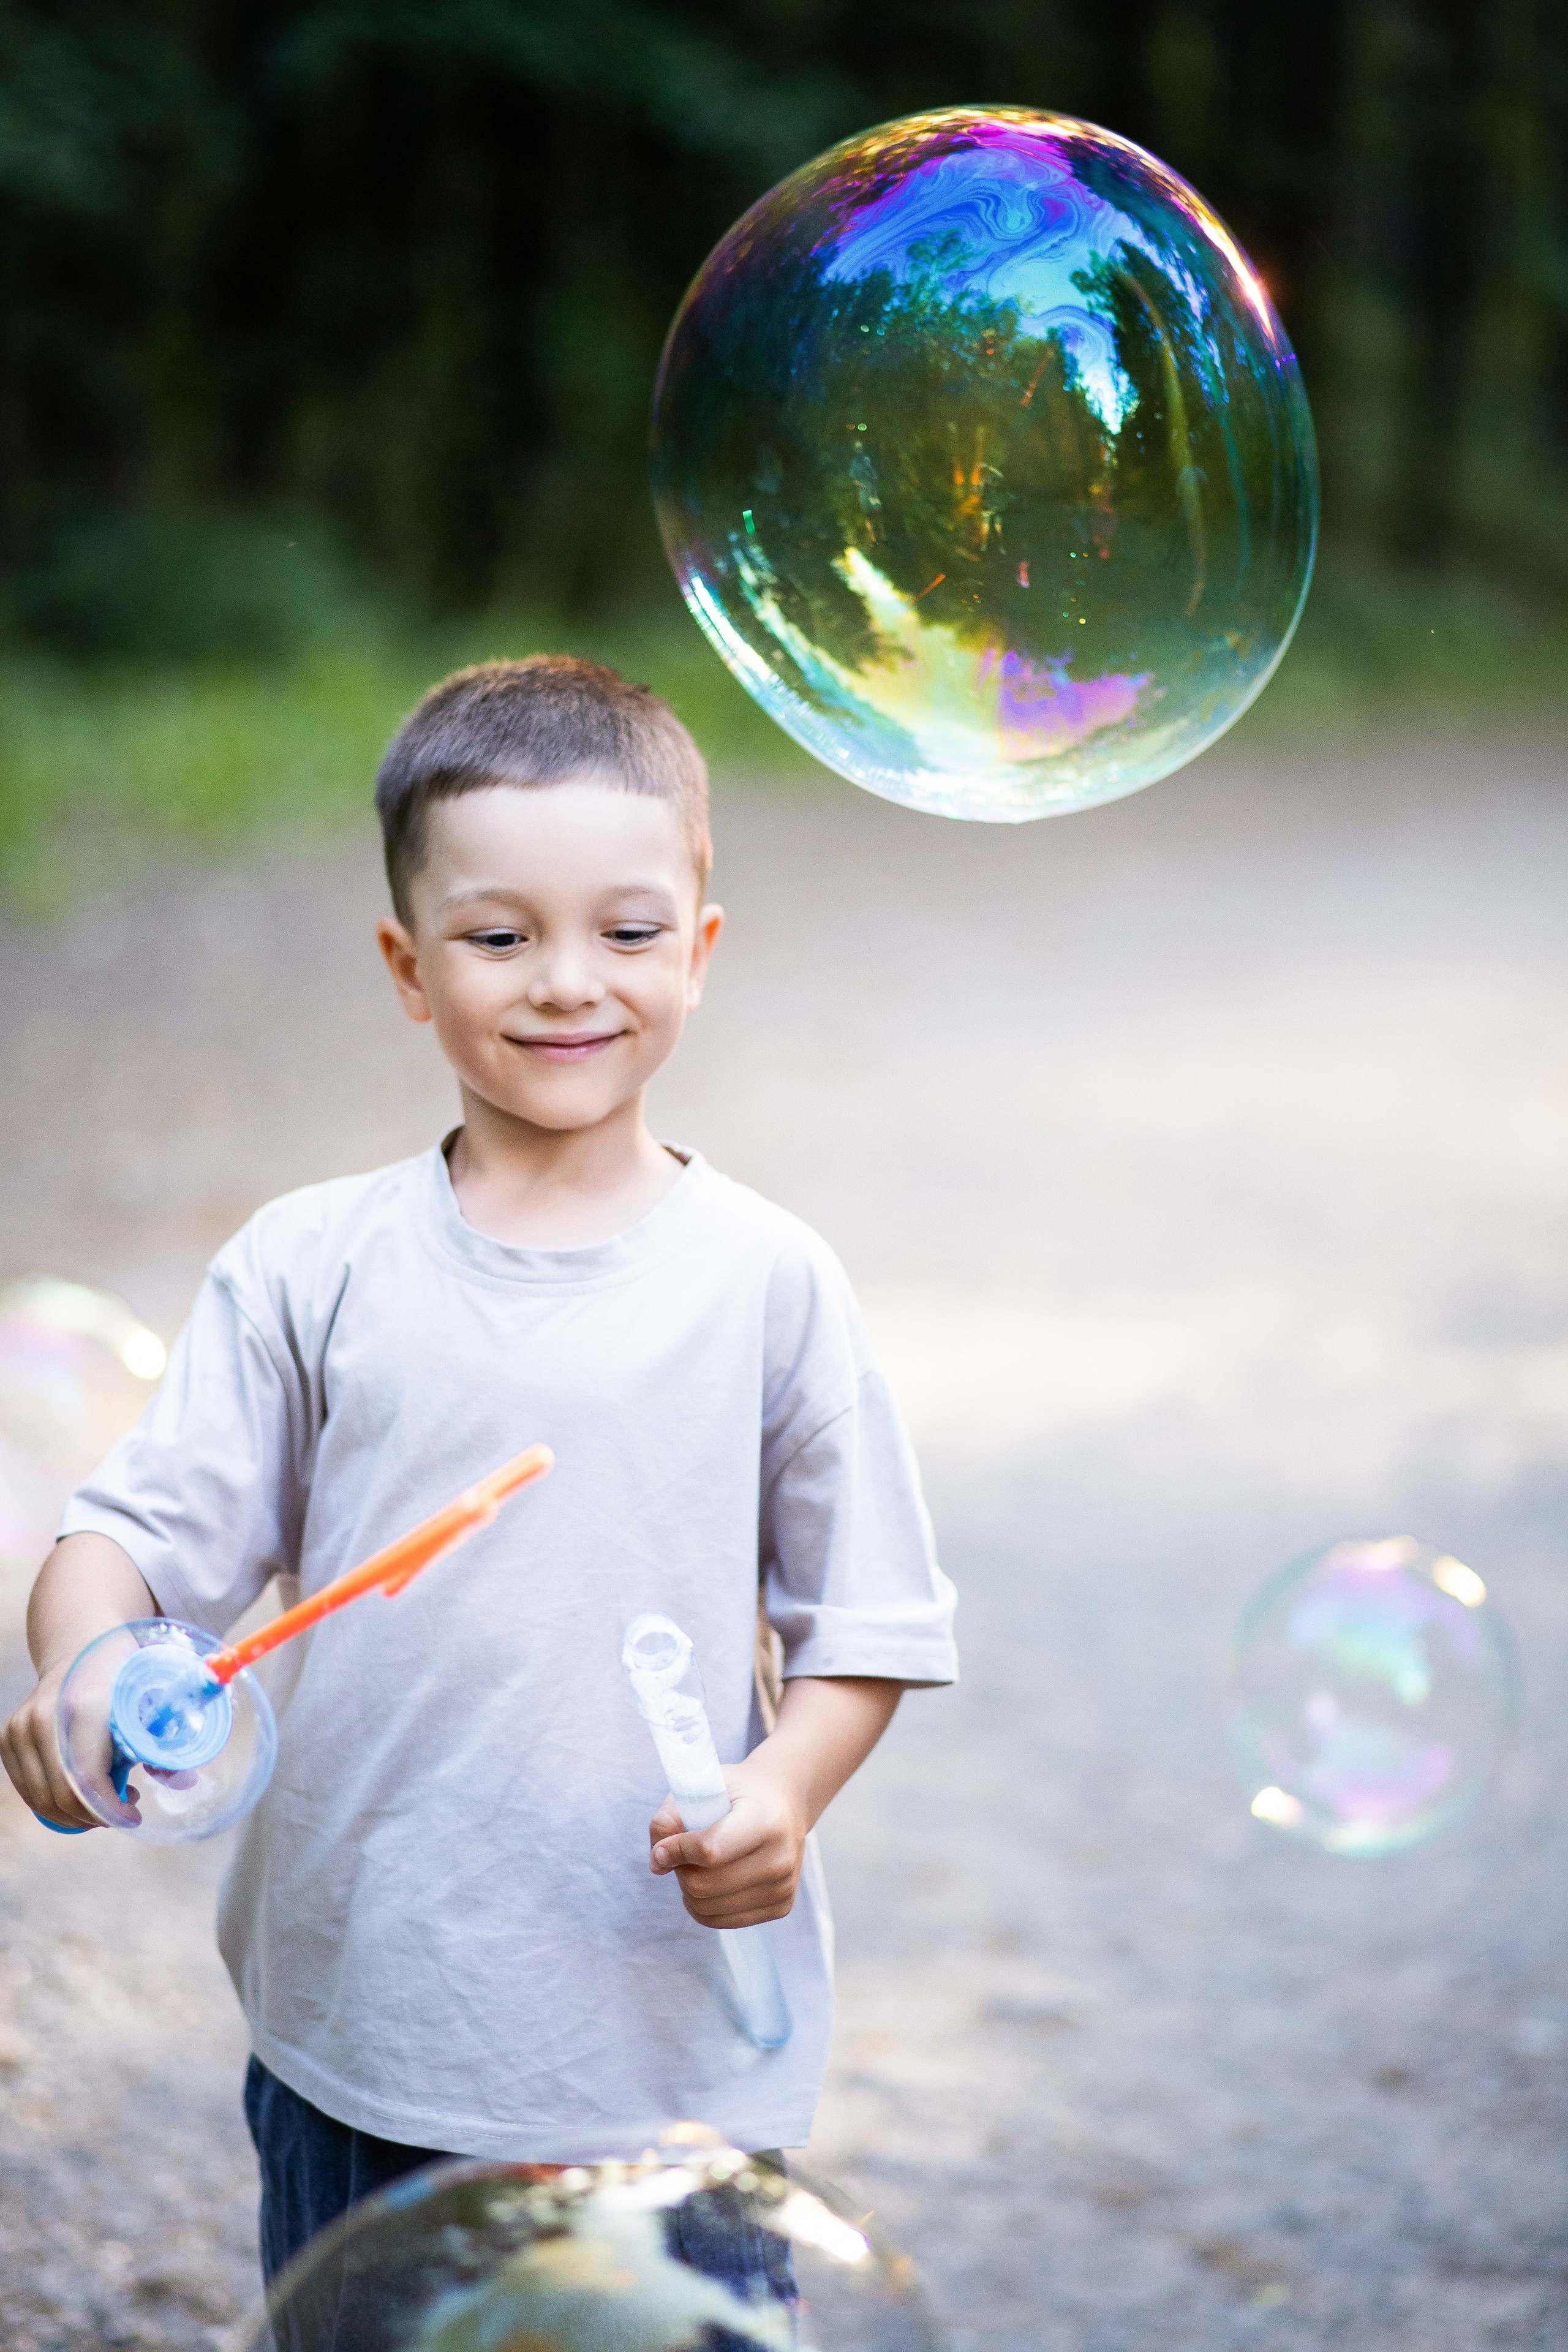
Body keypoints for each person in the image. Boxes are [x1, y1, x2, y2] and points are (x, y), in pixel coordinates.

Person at [0, 656, 957, 2292]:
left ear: (702, 953)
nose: (566, 981)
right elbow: (132, 1538)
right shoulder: (309, 1267)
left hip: (668, 2041)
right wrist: (88, 1670)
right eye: (499, 935)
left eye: (629, 932)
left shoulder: (768, 1282)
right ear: (407, 965)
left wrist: (785, 1791)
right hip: (368, 2027)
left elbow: (864, 1622)